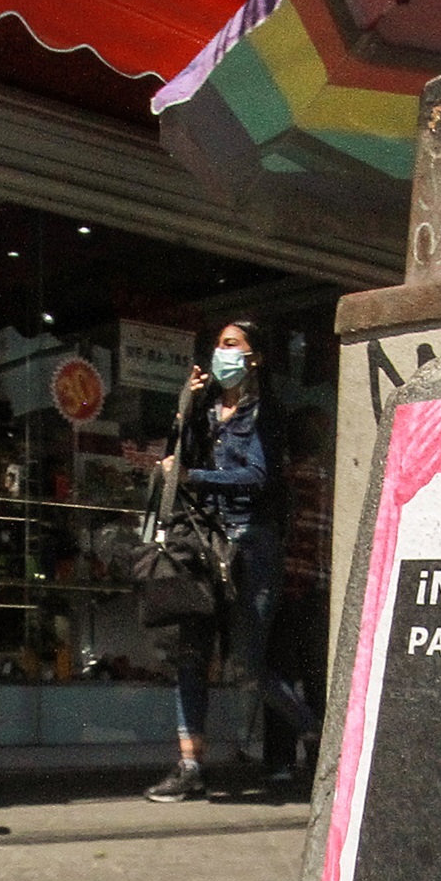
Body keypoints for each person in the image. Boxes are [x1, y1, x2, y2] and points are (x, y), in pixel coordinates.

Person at [146, 319, 319, 803]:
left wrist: (192, 476)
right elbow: (177, 457)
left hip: (250, 547)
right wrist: (186, 405)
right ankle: (189, 765)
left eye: (230, 345)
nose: (221, 353)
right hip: (204, 544)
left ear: (253, 357)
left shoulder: (266, 414)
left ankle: (318, 732)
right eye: (218, 345)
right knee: (192, 654)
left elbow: (258, 475)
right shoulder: (205, 410)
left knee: (246, 664)